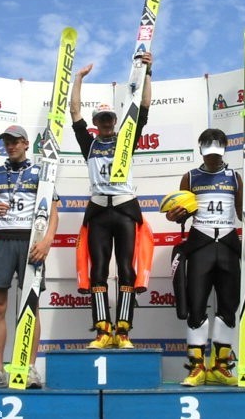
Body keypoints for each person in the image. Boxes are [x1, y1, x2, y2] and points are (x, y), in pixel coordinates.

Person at [164, 128, 245, 387]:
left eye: (216, 152)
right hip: (201, 246)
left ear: (224, 150)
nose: (212, 158)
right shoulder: (191, 177)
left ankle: (221, 366)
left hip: (229, 247)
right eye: (208, 152)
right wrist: (175, 215)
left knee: (228, 307)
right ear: (201, 150)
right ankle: (197, 367)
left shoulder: (234, 177)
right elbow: (180, 213)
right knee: (196, 307)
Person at [69, 52, 153, 350]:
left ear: (115, 121)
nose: (105, 123)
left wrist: (148, 72)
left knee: (127, 270)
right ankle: (103, 330)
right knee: (99, 271)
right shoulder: (88, 143)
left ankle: (125, 330)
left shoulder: (126, 140)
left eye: (109, 119)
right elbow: (74, 112)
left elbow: (143, 108)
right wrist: (78, 79)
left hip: (124, 209)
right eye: (101, 120)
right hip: (98, 211)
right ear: (96, 123)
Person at [0, 124, 59, 390]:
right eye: (6, 142)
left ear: (25, 143)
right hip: (2, 240)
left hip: (31, 242)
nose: (10, 146)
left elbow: (54, 212)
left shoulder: (41, 173)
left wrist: (47, 242)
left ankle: (29, 368)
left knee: (30, 309)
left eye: (14, 142)